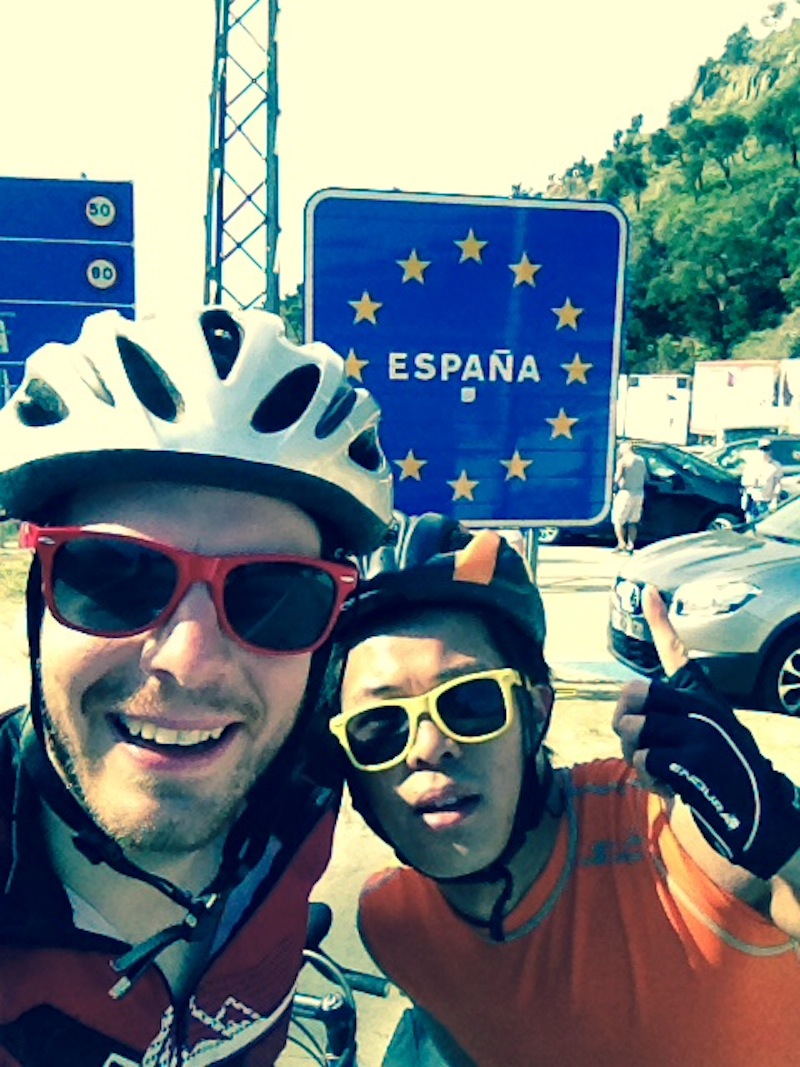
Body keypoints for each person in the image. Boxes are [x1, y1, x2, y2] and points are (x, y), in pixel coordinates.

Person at [0, 307, 392, 1064]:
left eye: (274, 595)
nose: (190, 660)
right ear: (35, 609)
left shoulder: (306, 787)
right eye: (113, 578)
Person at [325, 512, 800, 1066]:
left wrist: (779, 842)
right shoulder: (394, 924)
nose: (429, 746)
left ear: (535, 711)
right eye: (380, 726)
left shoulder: (667, 833)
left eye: (471, 701)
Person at [611, 439, 646, 552]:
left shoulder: (623, 461)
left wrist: (612, 486)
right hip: (639, 493)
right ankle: (631, 544)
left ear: (624, 449)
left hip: (625, 492)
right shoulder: (641, 460)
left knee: (618, 520)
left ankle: (621, 543)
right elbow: (646, 477)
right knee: (633, 521)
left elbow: (617, 478)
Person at [740, 437, 783, 522]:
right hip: (753, 502)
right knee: (751, 524)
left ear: (771, 450)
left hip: (767, 502)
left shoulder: (776, 466)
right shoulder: (751, 464)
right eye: (762, 449)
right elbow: (746, 484)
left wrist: (774, 500)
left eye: (766, 449)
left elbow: (777, 484)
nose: (764, 452)